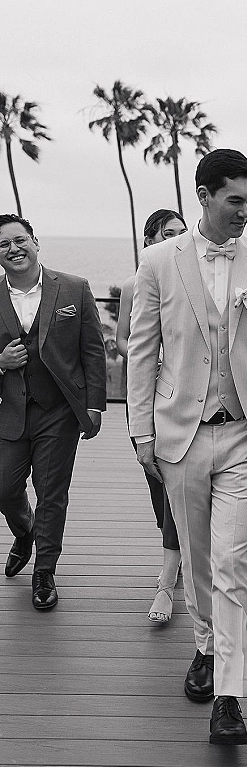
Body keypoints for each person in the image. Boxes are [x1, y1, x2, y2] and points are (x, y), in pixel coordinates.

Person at [127, 149, 247, 745]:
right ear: (203, 195)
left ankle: (229, 694)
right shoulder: (156, 263)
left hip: (245, 436)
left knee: (230, 563)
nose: (246, 213)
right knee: (199, 559)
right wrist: (141, 429)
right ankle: (205, 641)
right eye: (236, 201)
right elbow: (143, 349)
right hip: (181, 433)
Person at [0, 214, 106, 610]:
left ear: (35, 242)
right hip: (8, 410)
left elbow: (93, 350)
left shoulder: (74, 289)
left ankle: (44, 570)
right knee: (4, 487)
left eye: (20, 240)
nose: (14, 249)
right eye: (4, 244)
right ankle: (24, 529)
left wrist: (94, 404)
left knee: (52, 493)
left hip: (59, 410)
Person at [117, 209, 187, 623]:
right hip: (147, 396)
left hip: (184, 401)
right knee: (157, 484)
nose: (176, 239)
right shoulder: (133, 284)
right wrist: (153, 357)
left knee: (176, 486)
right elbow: (123, 340)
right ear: (149, 242)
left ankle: (167, 576)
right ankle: (176, 553)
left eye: (181, 233)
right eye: (167, 234)